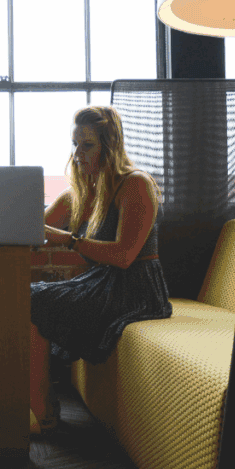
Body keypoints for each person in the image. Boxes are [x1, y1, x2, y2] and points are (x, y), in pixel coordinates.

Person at [29, 105, 172, 433]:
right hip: (102, 282)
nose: (78, 153)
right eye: (74, 144)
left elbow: (124, 256)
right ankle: (40, 402)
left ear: (110, 146)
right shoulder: (79, 193)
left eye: (87, 145)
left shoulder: (135, 184)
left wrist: (69, 240)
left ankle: (43, 411)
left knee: (33, 300)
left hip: (136, 288)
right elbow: (34, 229)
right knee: (28, 297)